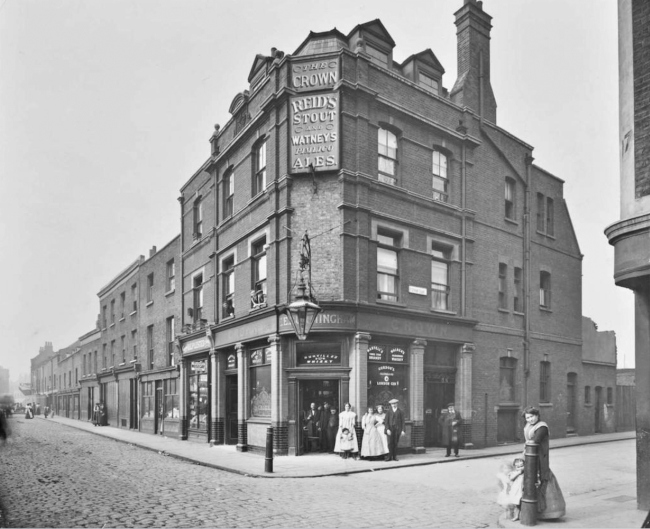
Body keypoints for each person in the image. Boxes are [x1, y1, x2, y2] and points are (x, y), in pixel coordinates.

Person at [522, 406, 566, 520]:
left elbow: (535, 441)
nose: (530, 419)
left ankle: (548, 511)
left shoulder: (542, 427)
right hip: (530, 455)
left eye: (532, 417)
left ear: (537, 416)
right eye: (527, 418)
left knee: (541, 478)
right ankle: (532, 510)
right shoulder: (528, 425)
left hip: (540, 456)